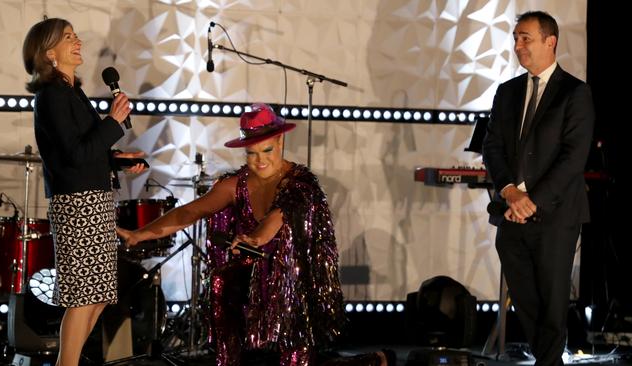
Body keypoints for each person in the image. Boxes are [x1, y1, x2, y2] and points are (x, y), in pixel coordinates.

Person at [118, 103, 393, 366]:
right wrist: (139, 234)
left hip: (293, 281)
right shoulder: (236, 184)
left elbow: (276, 218)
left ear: (281, 144)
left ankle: (369, 361)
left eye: (267, 151)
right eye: (252, 153)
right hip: (252, 274)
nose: (260, 161)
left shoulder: (299, 184)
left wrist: (254, 239)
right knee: (221, 281)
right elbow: (189, 212)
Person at [22, 18, 146, 366]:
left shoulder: (71, 91)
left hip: (94, 200)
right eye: (68, 38)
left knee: (100, 294)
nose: (78, 41)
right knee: (83, 296)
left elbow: (85, 151)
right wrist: (112, 122)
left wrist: (118, 160)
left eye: (76, 35)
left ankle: (70, 361)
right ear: (50, 54)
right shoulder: (52, 96)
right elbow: (73, 155)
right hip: (77, 204)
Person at [482, 11, 595, 366]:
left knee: (552, 298)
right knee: (526, 296)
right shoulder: (507, 91)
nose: (517, 46)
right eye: (515, 37)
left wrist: (534, 200)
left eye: (525, 38)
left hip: (555, 215)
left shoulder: (575, 93)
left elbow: (573, 158)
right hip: (512, 212)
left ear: (551, 41)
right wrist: (511, 192)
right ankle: (550, 361)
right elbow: (492, 147)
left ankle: (549, 363)